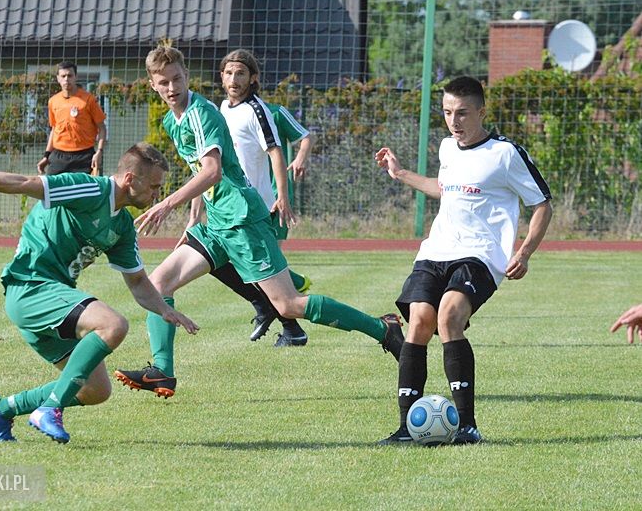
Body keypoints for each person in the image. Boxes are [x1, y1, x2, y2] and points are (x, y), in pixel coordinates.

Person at [113, 44, 403, 399]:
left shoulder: (201, 114)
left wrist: (167, 204)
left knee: (288, 305)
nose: (172, 88)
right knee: (158, 285)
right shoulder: (170, 122)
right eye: (164, 82)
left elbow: (213, 171)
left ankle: (383, 329)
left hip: (242, 219)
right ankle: (162, 372)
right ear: (152, 84)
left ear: (187, 76)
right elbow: (200, 175)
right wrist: (192, 220)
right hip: (217, 223)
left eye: (177, 79)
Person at [0, 143, 198, 444]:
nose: (157, 196)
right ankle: (50, 409)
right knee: (112, 325)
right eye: (154, 187)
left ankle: (0, 409)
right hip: (30, 286)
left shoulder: (121, 225)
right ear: (131, 179)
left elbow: (137, 283)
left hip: (52, 298)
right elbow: (26, 184)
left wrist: (164, 309)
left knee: (95, 390)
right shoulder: (88, 189)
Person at [374, 76, 553, 445]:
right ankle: (407, 427)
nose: (454, 121)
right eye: (447, 112)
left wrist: (524, 252)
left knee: (449, 317)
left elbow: (542, 204)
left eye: (462, 113)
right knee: (420, 322)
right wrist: (401, 173)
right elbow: (446, 190)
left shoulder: (505, 154)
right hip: (437, 249)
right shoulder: (447, 148)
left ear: (482, 112)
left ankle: (468, 426)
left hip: (481, 254)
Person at [208, 48, 311, 347]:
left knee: (256, 271)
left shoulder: (262, 111)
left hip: (260, 208)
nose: (233, 78)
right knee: (233, 264)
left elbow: (279, 151)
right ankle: (287, 303)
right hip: (231, 206)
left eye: (240, 73)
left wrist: (284, 197)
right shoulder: (222, 110)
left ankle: (290, 322)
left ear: (253, 78)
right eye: (228, 73)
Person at [37, 61, 107, 176]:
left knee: (85, 192)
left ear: (76, 77)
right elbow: (54, 129)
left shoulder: (88, 100)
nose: (66, 79)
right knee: (51, 191)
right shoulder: (53, 101)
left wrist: (99, 151)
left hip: (84, 156)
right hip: (59, 155)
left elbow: (102, 128)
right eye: (63, 76)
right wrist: (46, 155)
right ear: (58, 78)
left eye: (70, 76)